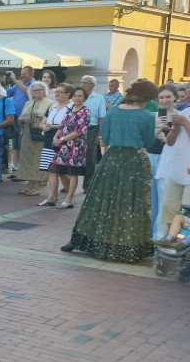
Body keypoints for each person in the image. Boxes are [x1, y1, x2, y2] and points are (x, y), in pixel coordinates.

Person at [60, 80, 158, 262]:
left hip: (111, 158)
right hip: (132, 161)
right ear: (146, 98)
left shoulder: (113, 110)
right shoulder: (147, 116)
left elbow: (105, 137)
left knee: (99, 200)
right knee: (128, 202)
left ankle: (81, 240)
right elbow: (149, 142)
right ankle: (124, 245)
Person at [154, 88, 190, 238]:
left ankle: (182, 244)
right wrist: (175, 129)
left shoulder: (184, 116)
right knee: (168, 205)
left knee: (186, 210)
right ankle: (174, 238)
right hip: (176, 169)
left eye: (189, 93)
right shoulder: (186, 112)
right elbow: (169, 143)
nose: (187, 96)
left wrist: (185, 123)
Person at [46, 87, 91, 209]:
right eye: (75, 96)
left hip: (75, 146)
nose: (77, 98)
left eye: (80, 96)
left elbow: (79, 131)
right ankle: (50, 198)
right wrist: (56, 137)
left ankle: (69, 199)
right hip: (62, 145)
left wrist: (62, 139)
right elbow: (62, 126)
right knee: (53, 170)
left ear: (85, 98)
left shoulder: (85, 111)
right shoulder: (70, 109)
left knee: (73, 173)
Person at [16, 81, 52, 196]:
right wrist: (23, 120)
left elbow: (51, 119)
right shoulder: (28, 103)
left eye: (40, 90)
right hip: (27, 135)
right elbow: (20, 117)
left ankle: (36, 187)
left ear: (44, 91)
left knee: (37, 161)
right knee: (27, 161)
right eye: (35, 90)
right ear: (31, 92)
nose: (38, 92)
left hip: (39, 135)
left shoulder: (50, 103)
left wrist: (40, 116)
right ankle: (29, 185)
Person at [79, 75, 108, 191]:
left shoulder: (99, 98)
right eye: (82, 82)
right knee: (74, 157)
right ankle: (70, 182)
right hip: (76, 130)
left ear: (92, 85)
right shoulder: (76, 96)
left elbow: (102, 117)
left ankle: (87, 185)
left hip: (91, 129)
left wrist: (99, 135)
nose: (83, 85)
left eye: (85, 83)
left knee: (89, 159)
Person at [6, 67, 35, 173]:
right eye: (21, 73)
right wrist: (5, 83)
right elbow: (8, 93)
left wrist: (15, 81)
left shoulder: (34, 84)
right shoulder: (18, 84)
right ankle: (16, 167)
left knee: (23, 144)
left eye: (24, 74)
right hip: (15, 117)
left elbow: (29, 93)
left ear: (31, 74)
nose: (21, 75)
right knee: (15, 144)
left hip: (26, 119)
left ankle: (23, 167)